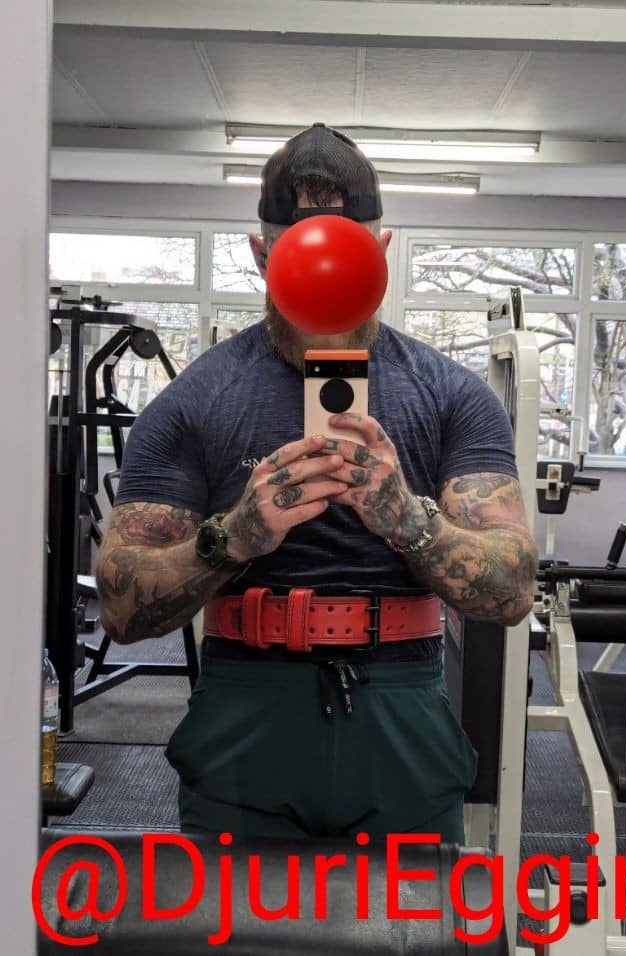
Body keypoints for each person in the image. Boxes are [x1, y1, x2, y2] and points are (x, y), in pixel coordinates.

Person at [96, 122, 537, 844]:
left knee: (416, 914)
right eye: (303, 251)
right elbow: (119, 606)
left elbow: (512, 588)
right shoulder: (195, 401)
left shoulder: (453, 395)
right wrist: (233, 537)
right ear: (261, 254)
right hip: (247, 712)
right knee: (232, 913)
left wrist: (408, 520)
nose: (324, 270)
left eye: (342, 251)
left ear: (381, 254)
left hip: (401, 708)